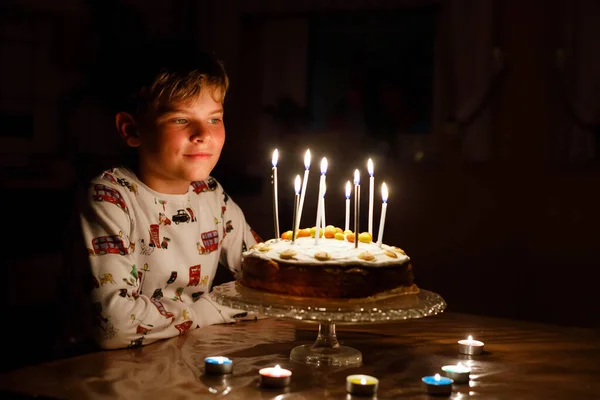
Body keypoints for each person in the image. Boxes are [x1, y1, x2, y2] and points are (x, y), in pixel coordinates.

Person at [79, 45, 261, 350]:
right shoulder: (110, 196)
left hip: (182, 359)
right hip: (100, 373)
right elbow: (115, 326)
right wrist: (214, 308)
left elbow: (270, 287)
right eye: (180, 120)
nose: (202, 133)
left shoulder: (211, 194)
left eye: (214, 119)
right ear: (131, 129)